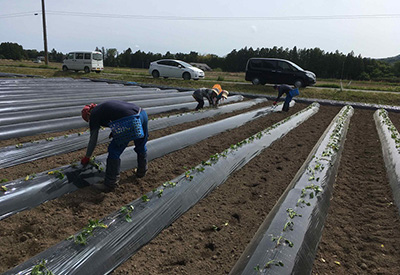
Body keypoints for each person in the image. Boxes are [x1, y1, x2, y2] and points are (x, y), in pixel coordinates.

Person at [81, 100, 149, 192]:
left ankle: (110, 184)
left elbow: (93, 139)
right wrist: (115, 132)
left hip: (130, 119)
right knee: (140, 144)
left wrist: (87, 157)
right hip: (142, 114)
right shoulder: (102, 107)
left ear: (89, 114)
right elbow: (117, 114)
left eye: (88, 119)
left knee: (114, 150)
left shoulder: (94, 114)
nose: (90, 121)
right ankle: (142, 171)